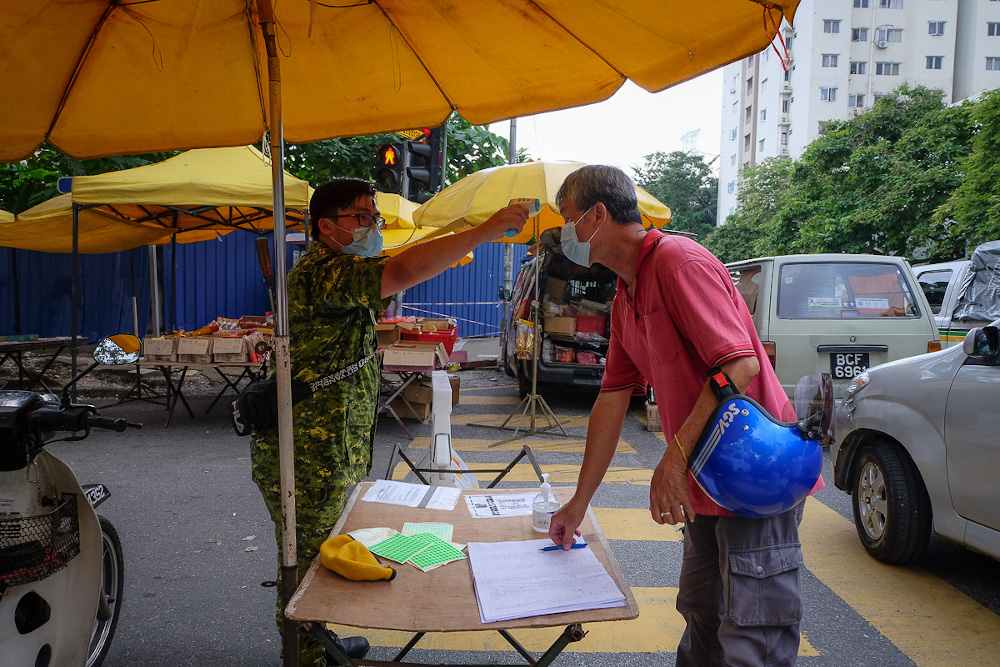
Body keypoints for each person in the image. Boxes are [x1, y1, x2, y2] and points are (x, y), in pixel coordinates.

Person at [547, 165, 821, 666]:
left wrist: (673, 460)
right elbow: (611, 401)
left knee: (753, 629)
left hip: (757, 472)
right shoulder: (626, 296)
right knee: (701, 611)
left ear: (598, 216)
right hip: (706, 476)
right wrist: (577, 504)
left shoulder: (678, 262)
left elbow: (736, 362)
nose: (564, 233)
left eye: (567, 218)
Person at [251, 178, 528, 666]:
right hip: (308, 451)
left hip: (334, 444)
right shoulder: (322, 271)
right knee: (307, 559)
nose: (372, 226)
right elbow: (402, 269)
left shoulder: (342, 271)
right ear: (326, 227)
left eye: (373, 217)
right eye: (362, 217)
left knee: (328, 549)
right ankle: (306, 656)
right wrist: (484, 231)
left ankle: (321, 642)